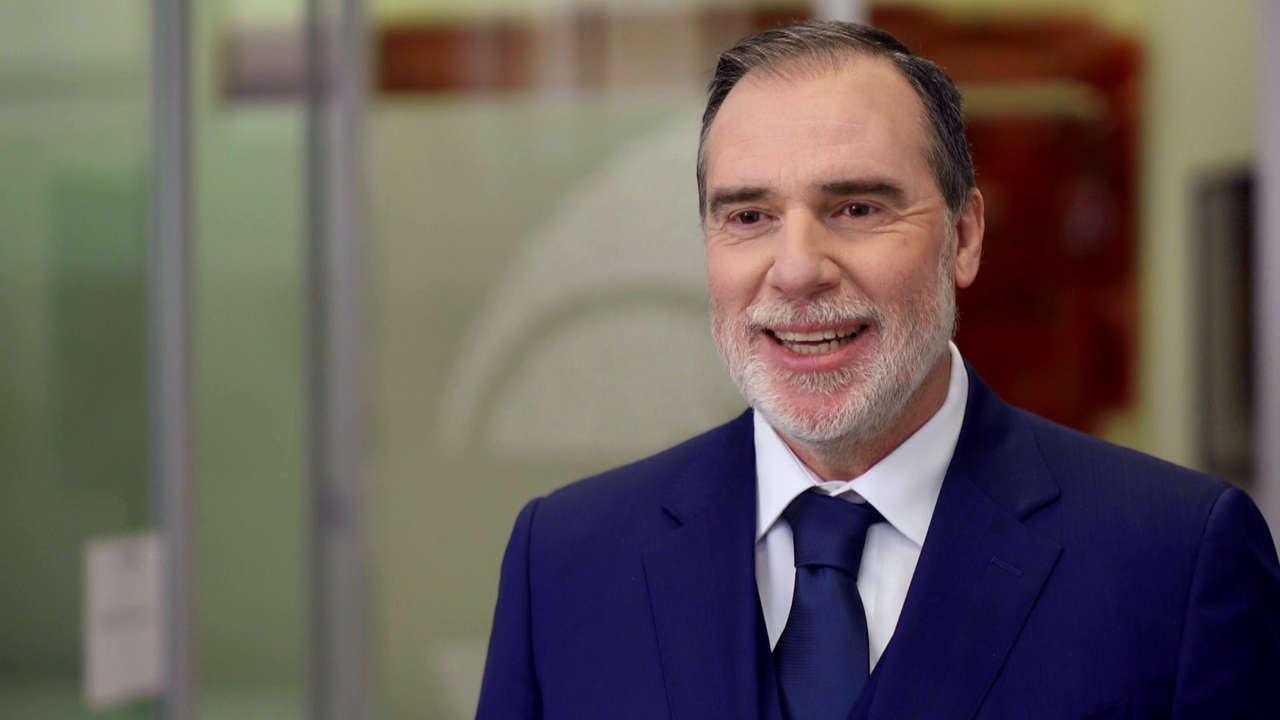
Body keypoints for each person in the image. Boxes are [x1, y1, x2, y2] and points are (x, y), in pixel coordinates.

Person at [476, 21, 1280, 720]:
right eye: (749, 215)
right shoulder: (567, 561)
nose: (797, 270)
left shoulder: (1174, 560)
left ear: (963, 238)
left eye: (857, 208)